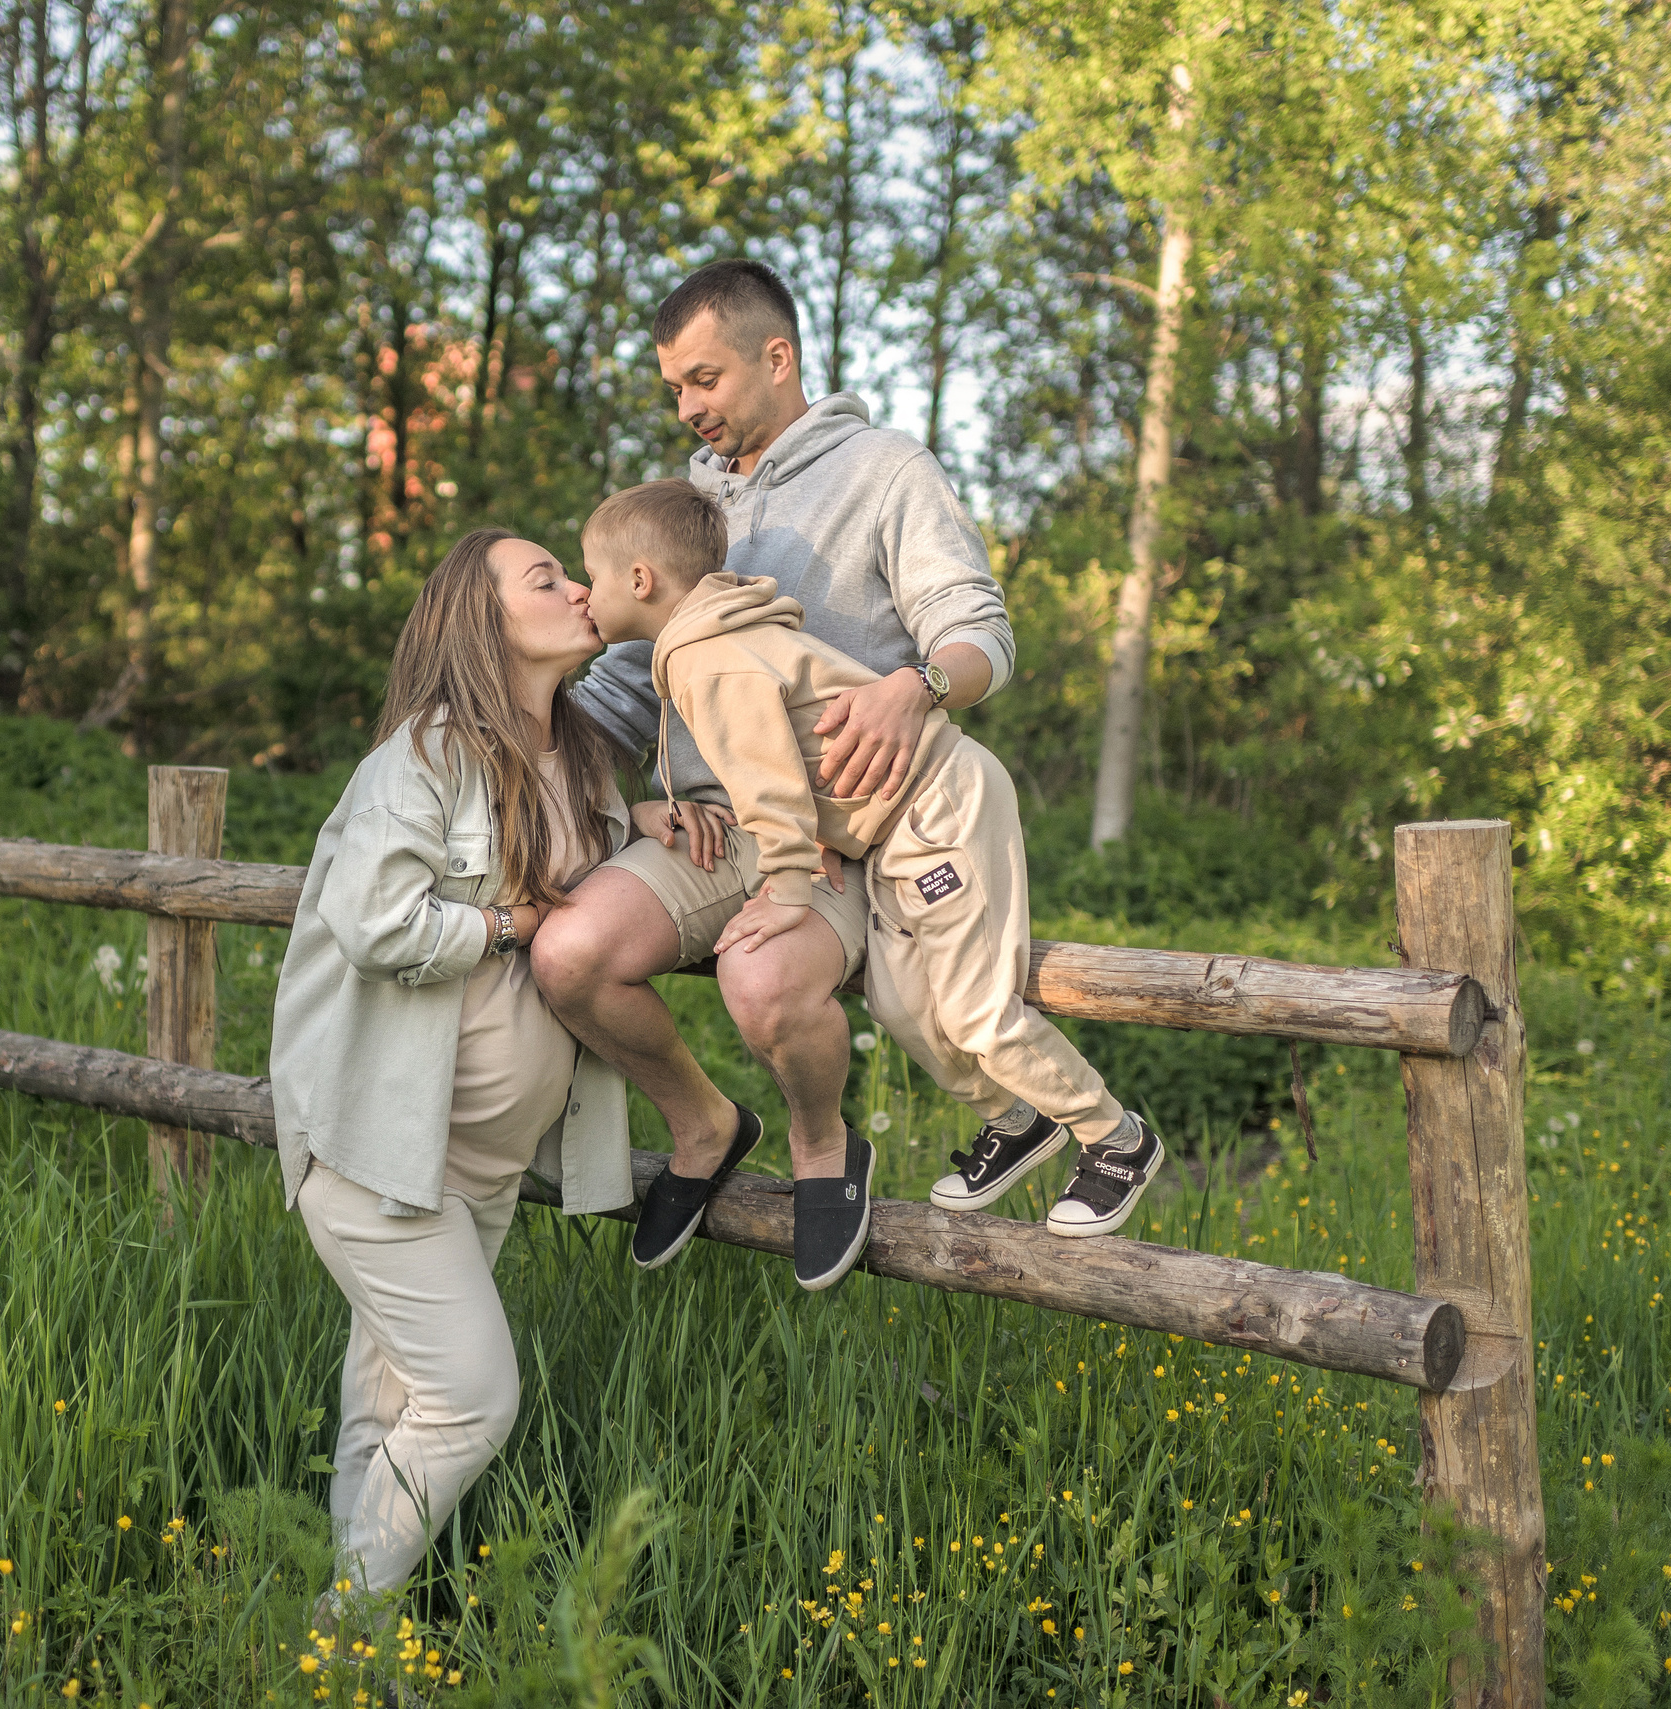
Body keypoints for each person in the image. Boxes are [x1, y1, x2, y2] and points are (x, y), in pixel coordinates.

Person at [534, 258, 1016, 1263]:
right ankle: (705, 1125)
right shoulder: (683, 501)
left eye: (703, 379)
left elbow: (978, 632)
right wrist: (603, 797)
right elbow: (623, 688)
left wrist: (916, 685)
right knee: (567, 955)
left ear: (778, 357)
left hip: (834, 825)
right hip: (711, 829)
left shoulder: (886, 470)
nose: (686, 406)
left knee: (761, 985)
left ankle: (821, 1141)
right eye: (675, 386)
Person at [270, 527, 709, 1611]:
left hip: (479, 1163)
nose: (578, 587)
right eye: (545, 577)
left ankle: (351, 1659)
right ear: (484, 620)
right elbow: (376, 921)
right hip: (379, 1153)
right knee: (472, 1400)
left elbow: (578, 879)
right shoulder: (422, 759)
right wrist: (510, 924)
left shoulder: (581, 762)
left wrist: (641, 825)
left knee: (391, 1406)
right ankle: (343, 1626)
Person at [578, 481, 1166, 1285]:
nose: (585, 592)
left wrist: (785, 887)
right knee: (897, 1002)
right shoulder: (713, 635)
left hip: (935, 803)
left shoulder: (707, 656)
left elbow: (770, 783)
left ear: (640, 580)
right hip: (887, 830)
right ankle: (1016, 1120)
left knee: (976, 1010)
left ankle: (1116, 1138)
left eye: (593, 576)